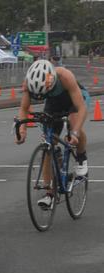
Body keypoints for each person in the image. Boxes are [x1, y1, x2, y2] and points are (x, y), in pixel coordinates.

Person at [15, 59, 90, 208]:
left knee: (75, 126)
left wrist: (74, 133)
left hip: (74, 100)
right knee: (47, 145)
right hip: (53, 103)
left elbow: (81, 108)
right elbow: (24, 109)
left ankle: (81, 158)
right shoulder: (29, 84)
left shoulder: (65, 76)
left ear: (51, 80)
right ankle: (49, 192)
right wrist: (22, 130)